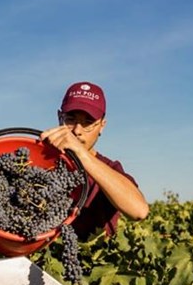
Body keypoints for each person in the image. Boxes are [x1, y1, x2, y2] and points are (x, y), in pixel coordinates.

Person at [40, 81, 149, 239]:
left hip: (91, 262)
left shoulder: (109, 168)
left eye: (88, 123)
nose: (77, 130)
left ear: (102, 126)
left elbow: (139, 211)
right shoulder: (39, 162)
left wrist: (82, 155)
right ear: (59, 117)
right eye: (70, 119)